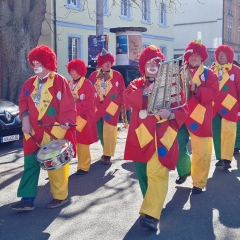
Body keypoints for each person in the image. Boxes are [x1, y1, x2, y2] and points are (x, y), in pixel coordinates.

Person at [124, 45, 188, 231]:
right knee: (143, 175)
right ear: (143, 65)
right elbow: (128, 98)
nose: (152, 65)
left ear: (162, 65)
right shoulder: (136, 84)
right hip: (141, 138)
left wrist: (172, 114)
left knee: (157, 174)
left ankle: (152, 215)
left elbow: (184, 109)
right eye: (149, 62)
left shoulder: (173, 86)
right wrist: (146, 92)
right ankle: (153, 204)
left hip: (163, 137)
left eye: (156, 62)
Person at [10, 45, 77, 211]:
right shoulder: (29, 83)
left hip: (53, 130)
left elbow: (68, 105)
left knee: (56, 167)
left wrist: (66, 122)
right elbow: (23, 103)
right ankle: (27, 199)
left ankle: (60, 196)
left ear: (48, 62)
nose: (35, 66)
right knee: (30, 164)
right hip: (33, 131)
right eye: (33, 62)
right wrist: (25, 121)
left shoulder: (60, 81)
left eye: (38, 62)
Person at [175, 40, 219, 193]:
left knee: (200, 152)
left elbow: (215, 94)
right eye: (191, 55)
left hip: (199, 116)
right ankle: (185, 170)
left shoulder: (209, 74)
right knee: (178, 146)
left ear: (202, 58)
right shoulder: (180, 72)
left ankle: (199, 183)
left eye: (197, 56)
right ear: (187, 57)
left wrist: (198, 89)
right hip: (181, 115)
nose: (193, 58)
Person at [89, 48, 126, 165]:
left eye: (110, 61)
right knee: (100, 131)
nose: (108, 63)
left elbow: (122, 91)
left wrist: (123, 105)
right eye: (105, 61)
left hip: (112, 108)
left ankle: (108, 155)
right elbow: (88, 90)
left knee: (110, 131)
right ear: (101, 63)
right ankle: (106, 149)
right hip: (97, 108)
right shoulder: (94, 75)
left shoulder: (117, 75)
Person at [67, 59, 98, 175]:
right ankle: (62, 167)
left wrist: (74, 108)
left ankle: (84, 166)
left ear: (80, 70)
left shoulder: (88, 84)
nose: (71, 72)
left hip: (83, 117)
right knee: (68, 141)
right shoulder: (68, 83)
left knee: (82, 142)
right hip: (70, 118)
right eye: (70, 70)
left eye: (74, 70)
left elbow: (90, 102)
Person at [211, 45, 240, 168]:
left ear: (229, 56)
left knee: (229, 132)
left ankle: (227, 158)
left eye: (224, 53)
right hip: (214, 106)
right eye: (219, 53)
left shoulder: (236, 70)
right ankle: (220, 157)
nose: (221, 55)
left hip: (230, 105)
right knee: (217, 133)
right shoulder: (212, 70)